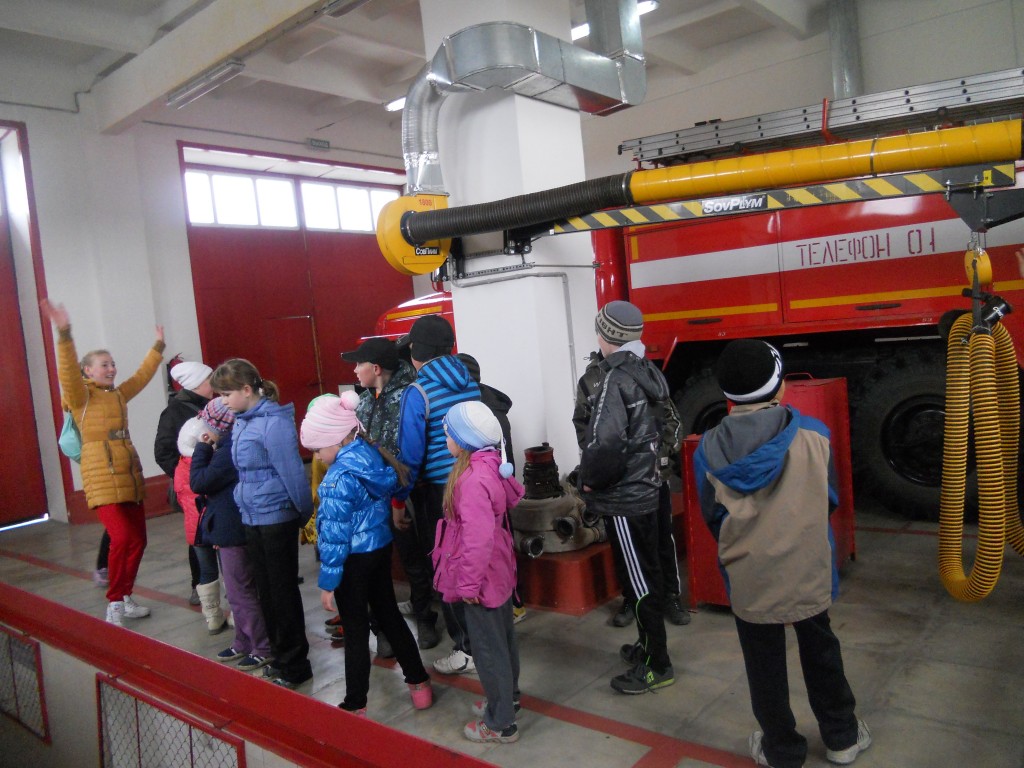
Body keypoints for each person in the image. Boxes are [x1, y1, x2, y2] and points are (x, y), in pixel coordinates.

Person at [693, 339, 870, 768]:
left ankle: (783, 750)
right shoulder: (815, 434)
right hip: (808, 567)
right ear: (780, 387)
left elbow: (713, 517)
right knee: (821, 648)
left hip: (750, 574)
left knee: (763, 663)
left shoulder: (707, 450)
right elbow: (828, 499)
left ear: (727, 394)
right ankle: (842, 737)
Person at [299, 391, 433, 715]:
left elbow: (334, 538)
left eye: (318, 448)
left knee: (356, 631)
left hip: (352, 562)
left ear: (336, 438)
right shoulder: (371, 456)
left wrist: (328, 583)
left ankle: (355, 703)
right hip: (379, 549)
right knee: (389, 615)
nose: (317, 456)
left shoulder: (337, 480)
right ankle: (419, 684)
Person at [41, 298, 164, 626]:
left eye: (112, 364)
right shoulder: (80, 396)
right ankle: (114, 602)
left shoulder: (118, 394)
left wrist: (157, 347)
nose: (111, 369)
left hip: (128, 472)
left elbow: (142, 376)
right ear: (88, 371)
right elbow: (67, 371)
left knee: (138, 540)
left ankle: (125, 596)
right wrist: (64, 332)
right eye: (104, 365)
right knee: (121, 537)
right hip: (101, 475)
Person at [577, 300, 675, 694]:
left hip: (625, 499)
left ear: (605, 335)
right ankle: (648, 646)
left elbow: (605, 444)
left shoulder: (615, 380)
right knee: (648, 573)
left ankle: (657, 665)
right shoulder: (646, 370)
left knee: (639, 582)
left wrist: (589, 481)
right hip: (647, 488)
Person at [210, 358, 313, 689]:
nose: (223, 402)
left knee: (283, 595)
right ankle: (279, 658)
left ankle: (296, 665)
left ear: (246, 389)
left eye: (226, 394)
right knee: (266, 594)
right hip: (251, 515)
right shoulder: (241, 421)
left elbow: (293, 473)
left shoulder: (274, 423)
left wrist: (303, 514)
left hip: (276, 517)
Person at [572, 350, 690, 630]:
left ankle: (670, 596)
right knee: (623, 545)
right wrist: (604, 467)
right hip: (617, 485)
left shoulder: (645, 373)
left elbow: (671, 420)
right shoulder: (591, 381)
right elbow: (585, 429)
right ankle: (632, 598)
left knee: (662, 536)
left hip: (654, 477)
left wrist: (657, 457)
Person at [393, 315, 481, 675]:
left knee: (448, 565)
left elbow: (410, 455)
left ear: (417, 351)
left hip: (440, 494)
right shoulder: (469, 381)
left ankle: (466, 648)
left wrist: (399, 500)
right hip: (476, 483)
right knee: (475, 560)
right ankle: (485, 638)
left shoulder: (419, 392)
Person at [434, 401, 525, 744]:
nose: (445, 438)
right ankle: (508, 700)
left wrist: (469, 584)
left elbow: (476, 539)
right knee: (503, 641)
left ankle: (501, 724)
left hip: (481, 579)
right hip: (499, 570)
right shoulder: (491, 465)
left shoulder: (471, 481)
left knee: (488, 651)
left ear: (465, 440)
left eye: (448, 433)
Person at [342, 336, 431, 653]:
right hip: (371, 497)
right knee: (373, 565)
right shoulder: (364, 402)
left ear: (376, 368)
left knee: (413, 559)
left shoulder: (408, 398)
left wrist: (398, 498)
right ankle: (381, 630)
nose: (354, 370)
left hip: (403, 494)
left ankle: (425, 618)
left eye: (359, 364)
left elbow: (411, 454)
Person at [190, 398, 272, 672]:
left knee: (241, 591)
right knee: (235, 591)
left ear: (216, 426)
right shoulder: (228, 446)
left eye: (206, 424)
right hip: (228, 528)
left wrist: (202, 448)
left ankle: (262, 646)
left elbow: (199, 481)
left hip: (233, 529)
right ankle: (243, 641)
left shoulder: (227, 451)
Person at [455, 352, 526, 624]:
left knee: (493, 547)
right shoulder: (487, 407)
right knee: (499, 546)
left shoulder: (479, 415)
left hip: (488, 494)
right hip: (496, 489)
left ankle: (511, 601)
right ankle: (510, 600)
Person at [155, 360, 215, 606]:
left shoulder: (212, 405)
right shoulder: (174, 412)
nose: (214, 384)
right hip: (194, 487)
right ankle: (199, 584)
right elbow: (163, 452)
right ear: (197, 384)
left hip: (215, 482)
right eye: (209, 379)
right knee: (197, 536)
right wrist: (188, 476)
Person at [175, 416, 226, 635]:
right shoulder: (210, 463)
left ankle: (212, 617)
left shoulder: (180, 468)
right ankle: (238, 613)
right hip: (216, 525)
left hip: (194, 531)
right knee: (229, 570)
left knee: (206, 572)